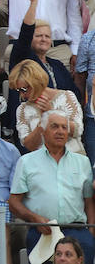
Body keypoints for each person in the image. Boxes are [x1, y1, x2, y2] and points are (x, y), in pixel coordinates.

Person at [8, 111, 95, 262]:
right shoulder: (26, 162)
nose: (60, 131)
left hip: (78, 231)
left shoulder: (83, 162)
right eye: (54, 126)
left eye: (64, 127)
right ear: (42, 130)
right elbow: (14, 202)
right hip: (43, 232)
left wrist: (91, 231)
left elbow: (89, 201)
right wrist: (34, 218)